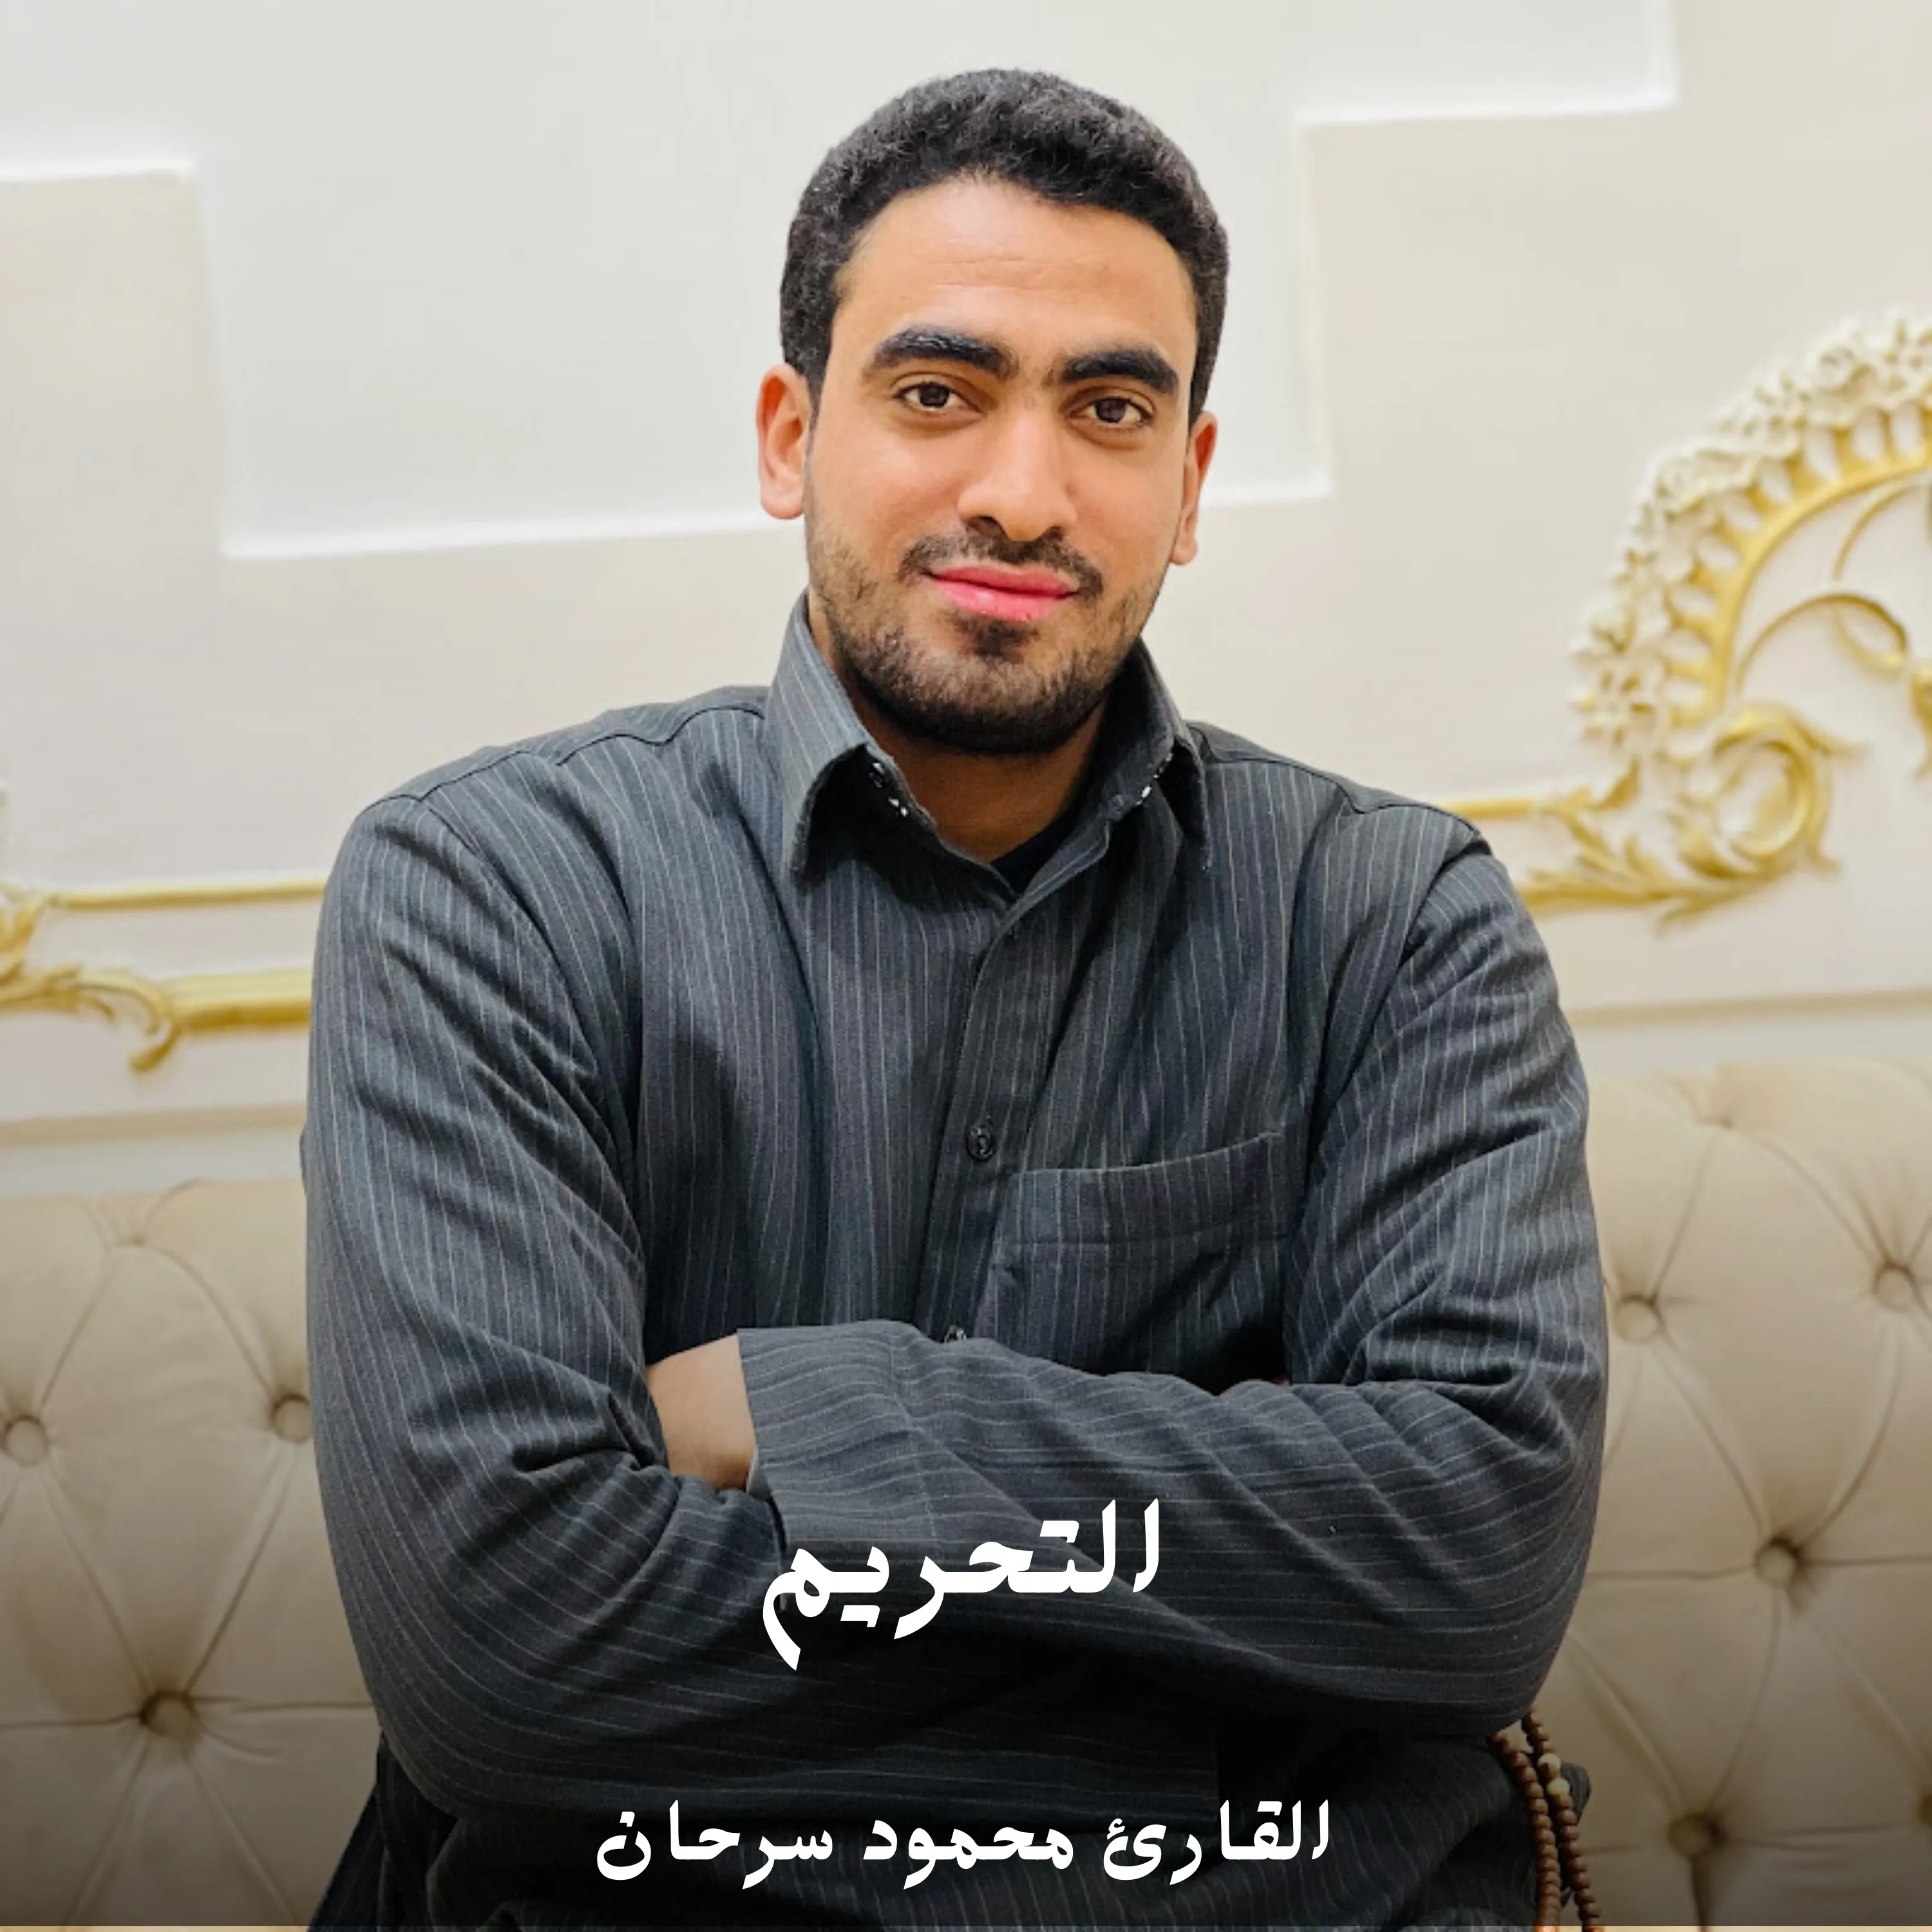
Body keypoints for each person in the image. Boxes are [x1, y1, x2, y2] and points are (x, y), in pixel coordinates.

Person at [306, 68, 1607, 1929]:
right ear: (791, 438)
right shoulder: (492, 889)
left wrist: (832, 1411)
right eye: (937, 392)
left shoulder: (1392, 919)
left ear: (1188, 486)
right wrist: (1279, 1671)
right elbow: (508, 1659)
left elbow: (1473, 1567)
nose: (1022, 489)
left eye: (1109, 411)